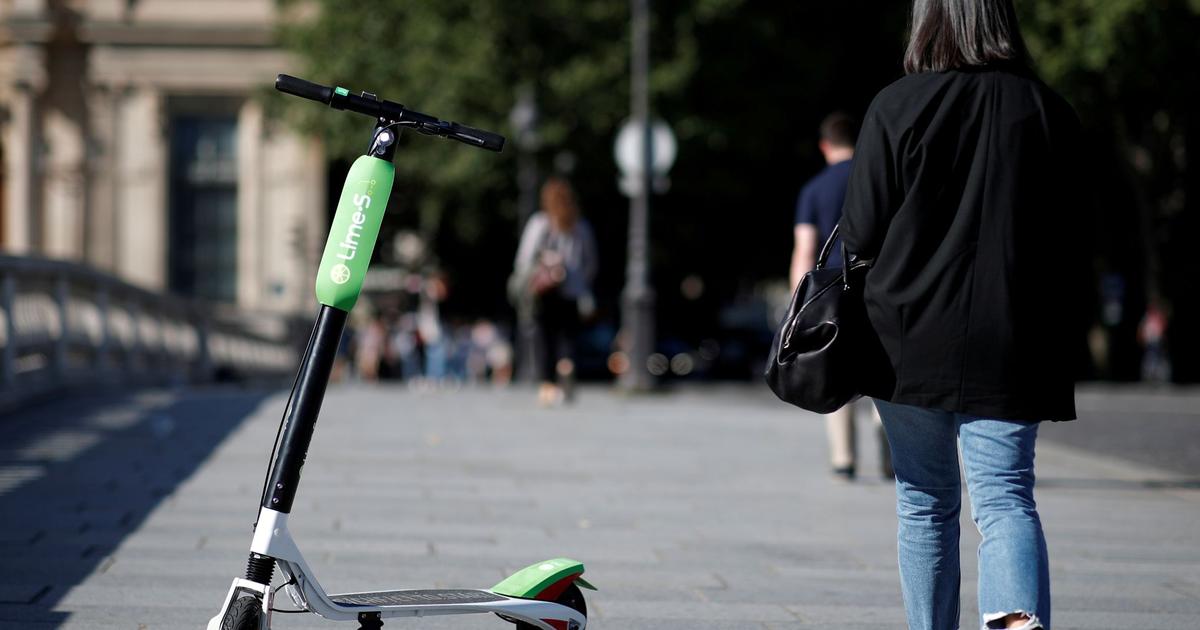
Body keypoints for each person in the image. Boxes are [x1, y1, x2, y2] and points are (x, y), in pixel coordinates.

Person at [840, 1, 1089, 628]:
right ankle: (1015, 622)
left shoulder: (897, 105)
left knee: (924, 500)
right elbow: (1078, 235)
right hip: (1013, 335)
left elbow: (861, 230)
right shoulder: (1048, 111)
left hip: (905, 335)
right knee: (1006, 496)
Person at [790, 112, 892, 481]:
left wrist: (799, 301)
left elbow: (805, 249)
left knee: (835, 367)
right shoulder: (880, 180)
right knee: (882, 370)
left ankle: (843, 458)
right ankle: (890, 455)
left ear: (824, 146)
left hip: (833, 292)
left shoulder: (814, 189)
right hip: (879, 285)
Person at [513, 177, 598, 406]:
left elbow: (524, 259)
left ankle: (548, 386)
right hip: (572, 293)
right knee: (567, 336)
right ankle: (566, 365)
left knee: (543, 338)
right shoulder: (580, 225)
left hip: (545, 292)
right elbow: (590, 263)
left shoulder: (540, 223)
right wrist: (580, 283)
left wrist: (533, 276)